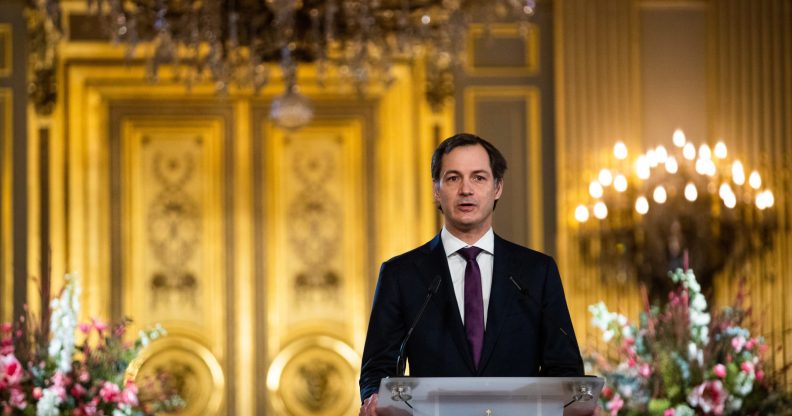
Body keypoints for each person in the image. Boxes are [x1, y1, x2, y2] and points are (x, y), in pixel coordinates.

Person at [358, 133, 584, 416]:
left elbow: (565, 367)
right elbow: (377, 369)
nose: (466, 189)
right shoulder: (400, 274)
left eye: (479, 178)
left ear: (497, 187)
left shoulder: (537, 272)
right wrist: (375, 399)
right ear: (436, 189)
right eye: (453, 178)